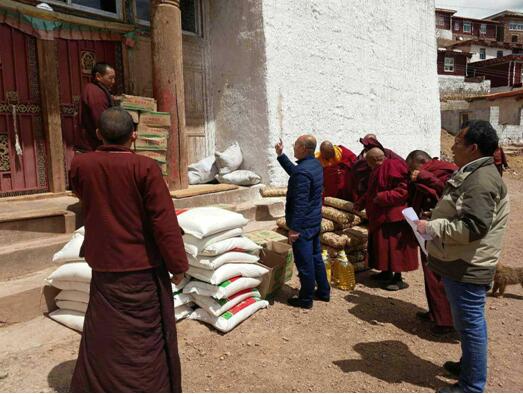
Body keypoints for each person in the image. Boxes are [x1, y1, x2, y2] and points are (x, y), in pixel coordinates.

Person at [69, 107, 188, 392]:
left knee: (106, 334)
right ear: (133, 136)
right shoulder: (145, 168)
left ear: (98, 134)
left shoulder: (81, 165)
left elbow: (82, 195)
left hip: (104, 266)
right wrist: (178, 265)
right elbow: (164, 221)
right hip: (142, 269)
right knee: (143, 341)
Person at [416, 120, 509, 393]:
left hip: (469, 263)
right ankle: (469, 365)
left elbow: (474, 227)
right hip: (461, 257)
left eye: (457, 142)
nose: (452, 147)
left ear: (474, 148)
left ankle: (471, 386)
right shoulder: (474, 172)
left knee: (470, 326)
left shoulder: (481, 180)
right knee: (467, 323)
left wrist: (432, 227)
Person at [275, 135, 330, 309]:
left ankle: (305, 298)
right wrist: (281, 155)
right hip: (314, 221)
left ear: (304, 148)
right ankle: (323, 291)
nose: (294, 147)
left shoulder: (303, 171)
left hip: (303, 225)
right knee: (316, 258)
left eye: (296, 145)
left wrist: (294, 229)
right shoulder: (315, 165)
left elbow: (300, 203)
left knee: (304, 262)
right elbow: (296, 172)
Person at [406, 150, 457, 336]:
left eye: (412, 169)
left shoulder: (447, 171)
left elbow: (448, 194)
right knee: (429, 274)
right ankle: (435, 312)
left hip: (442, 231)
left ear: (421, 162)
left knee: (439, 277)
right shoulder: (425, 172)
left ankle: (446, 322)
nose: (412, 173)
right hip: (426, 229)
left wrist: (426, 177)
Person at [355, 147, 418, 291]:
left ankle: (398, 278)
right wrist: (362, 202)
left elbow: (404, 191)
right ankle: (386, 272)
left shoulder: (394, 166)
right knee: (383, 248)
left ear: (373, 160)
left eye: (368, 163)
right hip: (381, 215)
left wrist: (383, 197)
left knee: (395, 249)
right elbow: (372, 191)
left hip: (394, 216)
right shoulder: (378, 169)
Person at [350, 135, 404, 201]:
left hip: (390, 197)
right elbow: (356, 180)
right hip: (369, 196)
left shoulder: (388, 155)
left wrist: (381, 196)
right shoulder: (360, 161)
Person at [77, 62, 116, 152]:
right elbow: (101, 119)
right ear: (98, 76)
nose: (113, 82)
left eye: (114, 78)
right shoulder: (95, 92)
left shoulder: (94, 89)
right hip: (94, 144)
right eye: (110, 78)